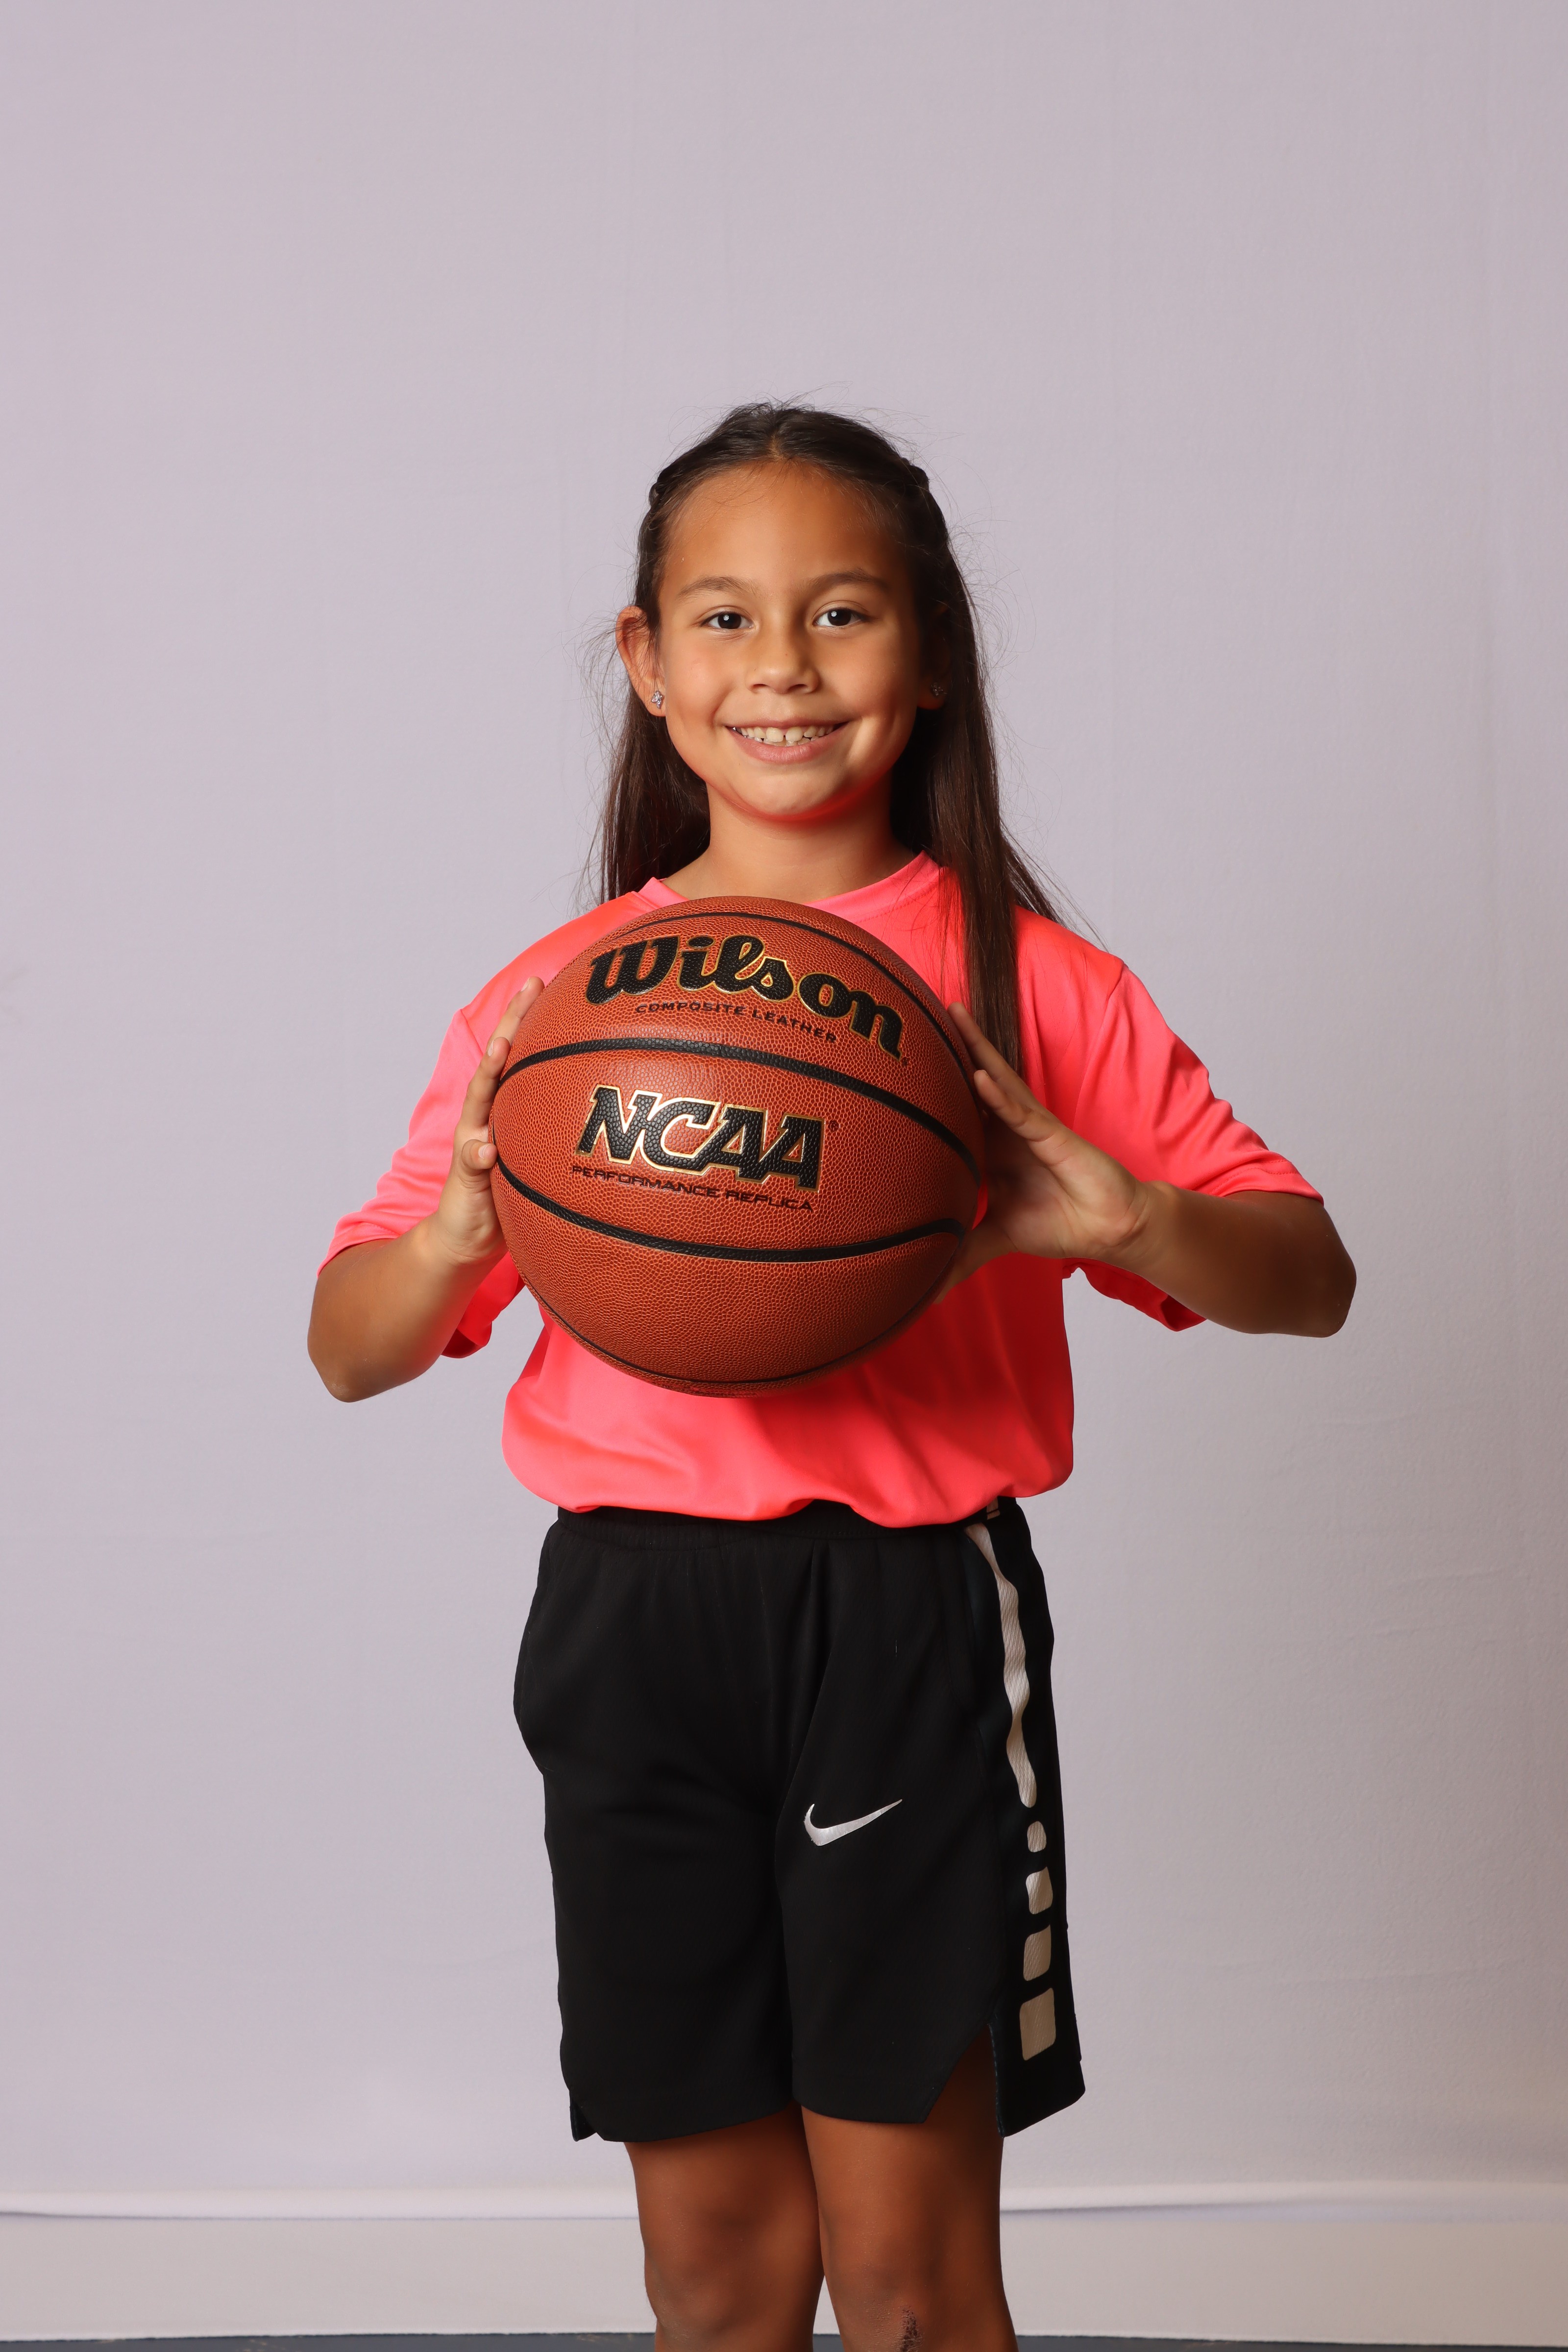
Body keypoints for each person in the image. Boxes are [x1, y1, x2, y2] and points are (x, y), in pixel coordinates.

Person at [309, 403, 1355, 2352]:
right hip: (629, 1622)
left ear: (930, 649)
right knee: (711, 2272)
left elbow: (1310, 1278)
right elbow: (348, 1348)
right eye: (722, 617)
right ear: (646, 661)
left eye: (842, 612)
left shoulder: (1034, 985)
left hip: (901, 1619)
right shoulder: (559, 1004)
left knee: (905, 2271)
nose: (779, 665)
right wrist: (456, 1235)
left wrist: (1124, 1221)